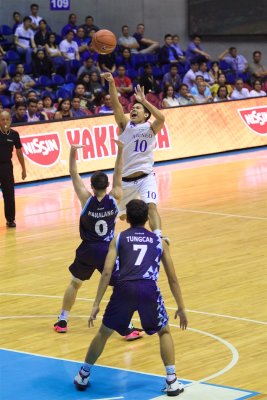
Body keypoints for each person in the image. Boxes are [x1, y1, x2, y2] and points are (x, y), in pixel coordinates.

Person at [73, 199, 188, 396]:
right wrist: (181, 307)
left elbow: (107, 272)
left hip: (123, 289)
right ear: (147, 218)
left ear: (128, 219)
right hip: (148, 289)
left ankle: (83, 374)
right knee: (164, 332)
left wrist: (96, 303)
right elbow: (172, 278)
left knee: (103, 333)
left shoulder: (118, 238)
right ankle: (172, 380)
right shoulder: (159, 242)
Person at [54, 141, 142, 339]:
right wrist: (120, 150)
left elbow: (73, 174)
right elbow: (118, 171)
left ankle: (62, 319)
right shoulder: (115, 197)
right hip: (107, 251)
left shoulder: (86, 199)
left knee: (75, 283)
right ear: (108, 186)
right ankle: (126, 326)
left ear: (92, 186)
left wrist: (72, 153)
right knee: (120, 287)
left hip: (86, 250)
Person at [102, 72, 167, 240]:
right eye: (133, 108)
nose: (133, 109)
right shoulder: (125, 126)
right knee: (122, 216)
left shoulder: (151, 127)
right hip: (124, 181)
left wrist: (144, 101)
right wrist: (111, 84)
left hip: (146, 177)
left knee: (151, 206)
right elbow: (117, 106)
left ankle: (158, 238)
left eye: (137, 108)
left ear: (146, 114)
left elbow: (162, 117)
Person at [0, 111, 26, 227]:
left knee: (9, 194)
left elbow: (19, 152)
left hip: (6, 167)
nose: (5, 121)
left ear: (10, 120)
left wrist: (23, 168)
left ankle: (10, 219)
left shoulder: (14, 134)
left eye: (7, 119)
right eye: (2, 119)